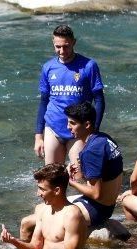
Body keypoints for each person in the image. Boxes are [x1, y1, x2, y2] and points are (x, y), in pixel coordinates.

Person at [34, 24, 105, 166]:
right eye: (57, 47)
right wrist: (38, 135)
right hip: (53, 126)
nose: (61, 51)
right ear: (53, 44)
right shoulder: (48, 67)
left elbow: (99, 100)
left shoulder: (89, 66)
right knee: (52, 176)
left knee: (79, 176)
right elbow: (43, 102)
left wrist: (93, 131)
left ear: (74, 42)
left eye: (66, 46)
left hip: (78, 130)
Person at [64, 101, 123, 228]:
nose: (68, 127)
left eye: (73, 123)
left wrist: (71, 181)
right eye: (68, 122)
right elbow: (105, 173)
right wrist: (82, 166)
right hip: (108, 205)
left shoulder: (91, 151)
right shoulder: (104, 138)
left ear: (87, 124)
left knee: (35, 220)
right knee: (44, 208)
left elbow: (96, 194)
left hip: (97, 209)